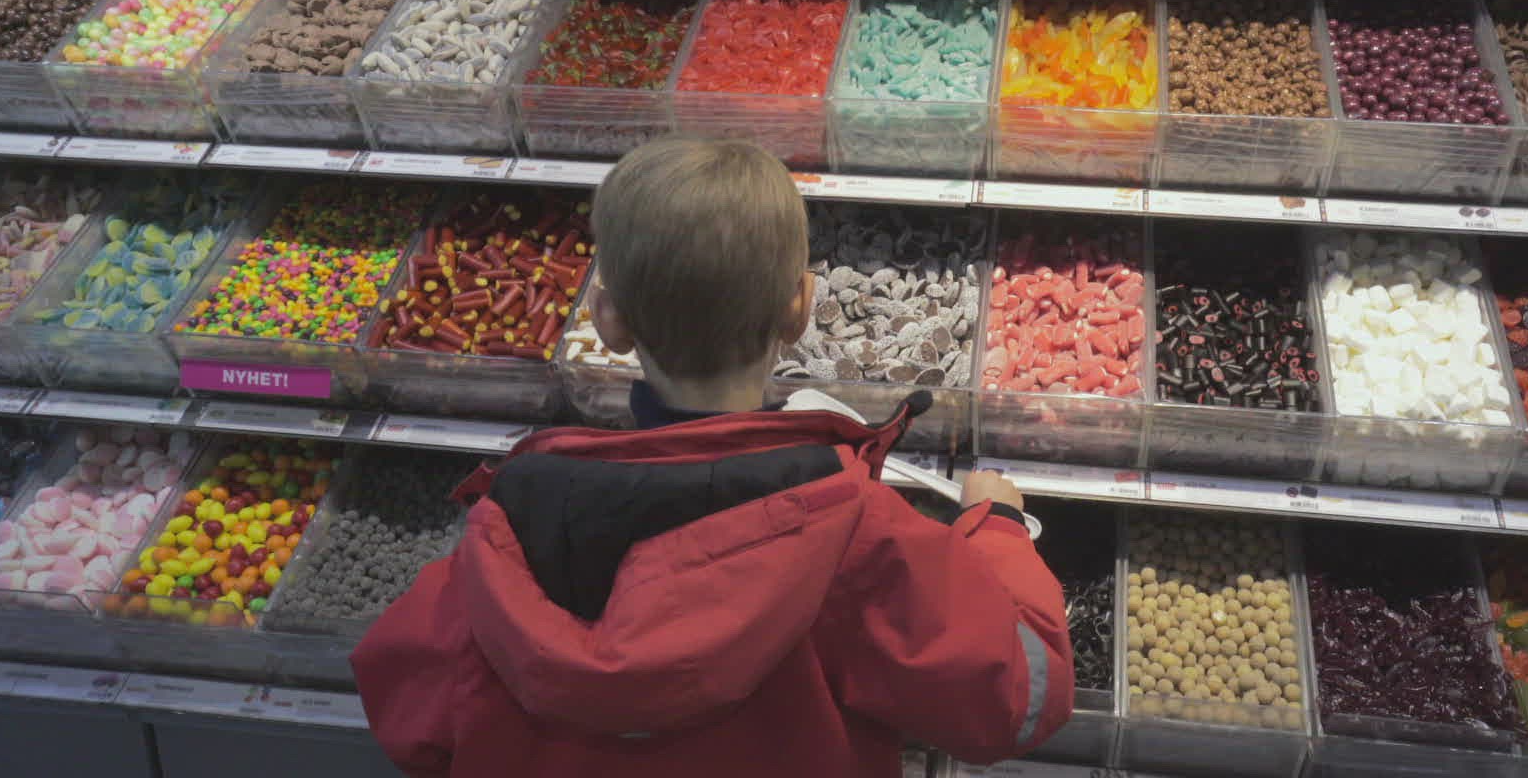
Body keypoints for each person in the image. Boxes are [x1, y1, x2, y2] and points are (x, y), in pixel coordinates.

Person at [353, 138, 1074, 777]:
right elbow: (1017, 699)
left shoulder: (503, 535)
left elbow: (407, 722)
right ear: (800, 309)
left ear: (608, 319)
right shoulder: (858, 533)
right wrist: (998, 530)